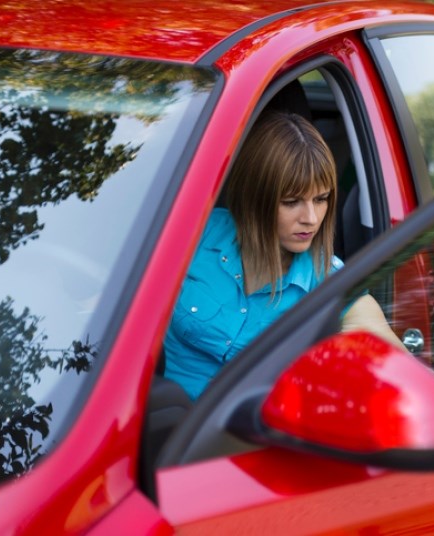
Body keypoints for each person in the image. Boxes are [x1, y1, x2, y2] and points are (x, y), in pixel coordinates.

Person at [164, 110, 401, 400]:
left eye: (321, 199)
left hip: (241, 442)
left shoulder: (331, 284)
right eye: (292, 202)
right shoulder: (194, 235)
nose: (312, 218)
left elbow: (396, 368)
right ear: (254, 198)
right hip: (146, 425)